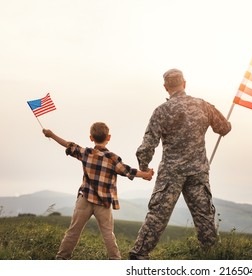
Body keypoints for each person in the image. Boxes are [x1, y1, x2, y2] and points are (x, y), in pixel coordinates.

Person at [129, 69, 231, 260]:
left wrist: (143, 167)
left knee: (158, 214)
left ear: (166, 87)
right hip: (198, 171)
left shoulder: (161, 111)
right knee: (204, 215)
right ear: (185, 83)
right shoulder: (203, 105)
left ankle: (139, 254)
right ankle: (211, 255)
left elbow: (148, 143)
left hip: (171, 173)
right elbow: (223, 128)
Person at [43, 122, 154, 260]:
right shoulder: (112, 159)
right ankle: (115, 260)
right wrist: (146, 174)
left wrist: (51, 134)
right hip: (103, 202)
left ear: (91, 138)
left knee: (73, 231)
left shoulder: (86, 153)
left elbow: (68, 144)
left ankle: (62, 258)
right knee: (108, 234)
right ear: (109, 137)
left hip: (85, 199)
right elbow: (128, 171)